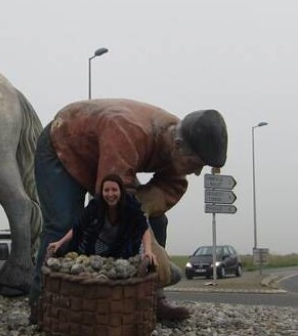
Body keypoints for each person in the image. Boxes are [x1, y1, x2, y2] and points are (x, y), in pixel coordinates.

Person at [29, 98, 228, 323]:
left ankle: (150, 297)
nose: (197, 173)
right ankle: (42, 302)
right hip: (64, 143)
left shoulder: (179, 142)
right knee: (64, 224)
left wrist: (147, 226)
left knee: (157, 221)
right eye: (194, 164)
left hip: (106, 156)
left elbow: (171, 186)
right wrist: (147, 242)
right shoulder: (128, 129)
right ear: (179, 144)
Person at [47, 174, 157, 267]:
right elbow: (78, 227)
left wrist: (148, 251)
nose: (110, 194)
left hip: (126, 244)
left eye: (114, 190)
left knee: (133, 262)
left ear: (121, 191)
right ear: (102, 192)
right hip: (101, 244)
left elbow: (143, 227)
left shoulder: (130, 206)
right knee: (94, 262)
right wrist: (60, 242)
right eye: (106, 190)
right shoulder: (96, 206)